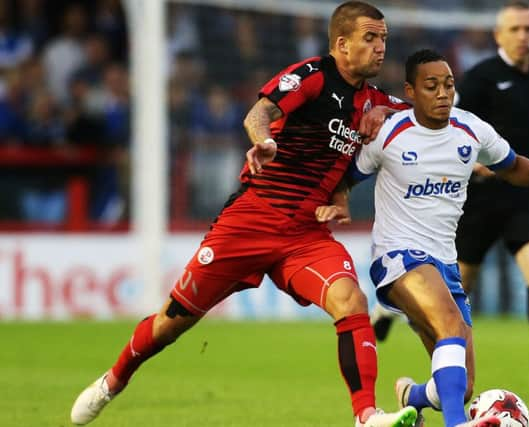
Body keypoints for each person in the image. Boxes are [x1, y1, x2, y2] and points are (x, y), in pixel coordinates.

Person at [70, 2, 418, 427]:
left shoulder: (376, 100)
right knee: (170, 323)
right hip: (251, 221)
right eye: (371, 38)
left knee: (350, 300)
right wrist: (263, 141)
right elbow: (259, 114)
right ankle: (114, 379)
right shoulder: (312, 76)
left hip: (306, 234)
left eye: (383, 38)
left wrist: (399, 116)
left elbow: (426, 119)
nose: (381, 47)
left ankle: (366, 414)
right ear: (342, 44)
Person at [316, 49, 529, 427]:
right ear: (410, 91)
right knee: (451, 327)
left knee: (463, 385)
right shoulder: (390, 133)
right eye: (431, 86)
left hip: (444, 263)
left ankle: (412, 396)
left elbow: (513, 166)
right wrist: (337, 201)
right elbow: (343, 176)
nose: (442, 93)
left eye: (449, 85)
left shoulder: (471, 129)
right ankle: (455, 424)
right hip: (398, 258)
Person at [370, 0, 529, 400]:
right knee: (450, 296)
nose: (524, 36)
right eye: (515, 29)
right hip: (476, 198)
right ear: (499, 35)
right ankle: (397, 312)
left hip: (522, 193)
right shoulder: (479, 79)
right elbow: (445, 127)